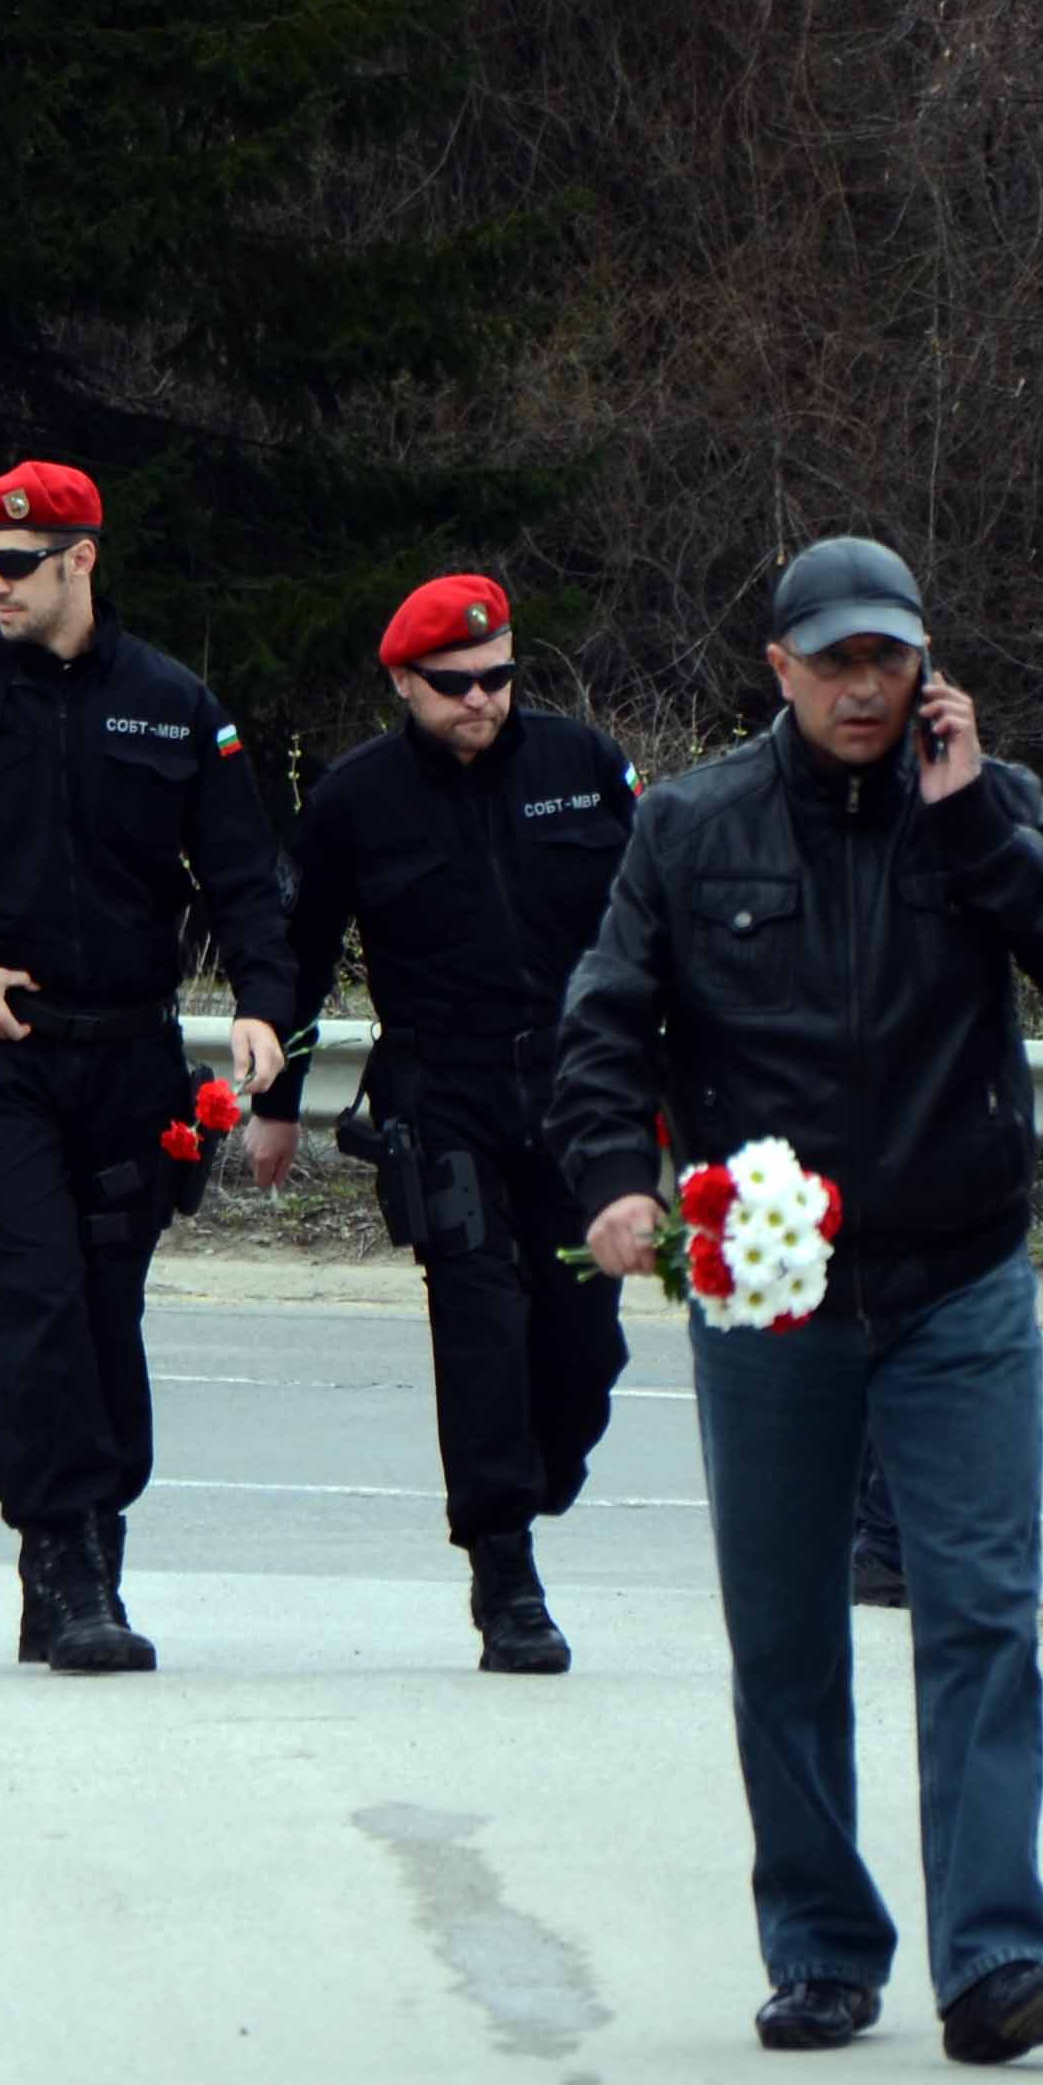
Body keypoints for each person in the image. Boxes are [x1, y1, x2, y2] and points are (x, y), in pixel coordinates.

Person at [549, 537, 1043, 2064]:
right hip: (766, 1282)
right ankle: (818, 1947)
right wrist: (615, 1181)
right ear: (780, 670)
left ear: (922, 664)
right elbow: (605, 1025)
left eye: (887, 660)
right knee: (786, 1633)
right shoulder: (687, 825)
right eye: (835, 663)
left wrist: (979, 825)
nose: (863, 688)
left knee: (979, 1616)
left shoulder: (980, 808)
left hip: (955, 1278)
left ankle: (996, 1956)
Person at [0, 463, 297, 1672]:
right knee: (25, 1301)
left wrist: (262, 1004)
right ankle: (66, 1558)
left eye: (18, 564)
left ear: (82, 560)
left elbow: (246, 875)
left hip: (126, 1059)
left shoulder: (175, 704)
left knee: (101, 1307)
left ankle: (91, 1537)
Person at [241, 574, 636, 1673]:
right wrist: (279, 1107)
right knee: (479, 1325)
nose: (483, 700)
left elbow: (651, 929)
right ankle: (504, 1575)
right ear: (405, 684)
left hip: (575, 1088)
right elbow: (302, 958)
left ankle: (539, 1474)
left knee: (582, 1338)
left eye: (500, 676)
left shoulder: (585, 767)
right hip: (441, 1089)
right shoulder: (355, 800)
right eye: (456, 684)